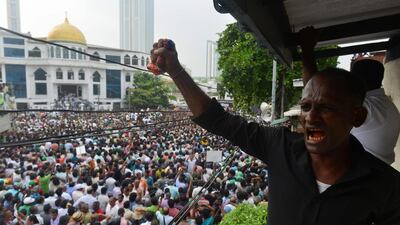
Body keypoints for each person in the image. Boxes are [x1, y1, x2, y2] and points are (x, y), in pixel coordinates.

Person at [150, 39, 400, 224]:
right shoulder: (280, 145)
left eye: (326, 108)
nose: (310, 117)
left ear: (357, 116)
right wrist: (176, 71)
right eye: (306, 106)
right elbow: (219, 120)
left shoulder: (387, 186)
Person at [299, 26, 400, 164]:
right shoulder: (385, 106)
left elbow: (313, 89)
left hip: (365, 178)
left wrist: (307, 49)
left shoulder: (369, 107)